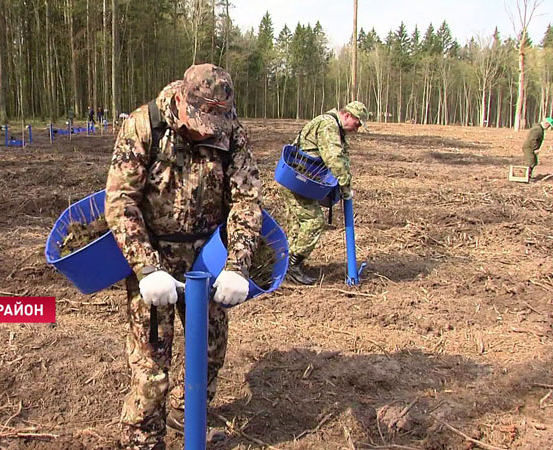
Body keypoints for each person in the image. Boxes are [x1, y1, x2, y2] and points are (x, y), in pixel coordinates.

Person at [105, 63, 262, 450]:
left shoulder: (231, 132)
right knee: (151, 366)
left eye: (216, 124)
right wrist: (146, 269)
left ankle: (186, 414)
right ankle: (143, 438)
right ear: (182, 100)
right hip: (154, 253)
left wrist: (237, 265)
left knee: (209, 351)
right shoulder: (145, 126)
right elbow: (121, 201)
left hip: (207, 257)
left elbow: (246, 201)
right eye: (201, 122)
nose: (208, 132)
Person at [281, 101, 369, 285]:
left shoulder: (332, 125)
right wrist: (345, 185)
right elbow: (334, 158)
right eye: (357, 123)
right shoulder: (329, 125)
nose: (357, 128)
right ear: (347, 116)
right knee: (313, 222)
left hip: (300, 180)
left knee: (298, 226)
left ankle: (283, 269)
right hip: (297, 180)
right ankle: (291, 266)